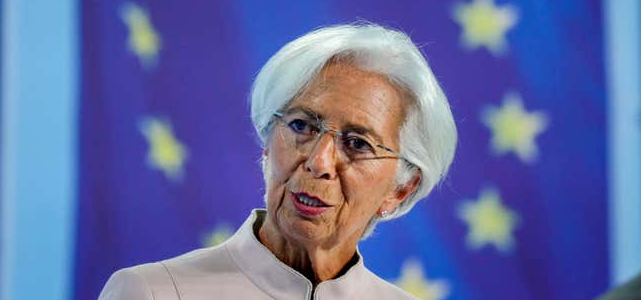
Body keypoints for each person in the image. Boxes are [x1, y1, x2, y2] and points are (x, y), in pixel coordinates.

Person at [98, 23, 457, 300]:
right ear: (268, 142)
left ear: (400, 189)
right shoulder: (152, 292)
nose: (319, 162)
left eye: (357, 144)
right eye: (301, 125)